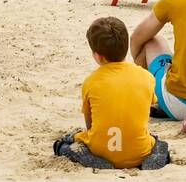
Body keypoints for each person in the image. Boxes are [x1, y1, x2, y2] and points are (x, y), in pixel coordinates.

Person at [53, 17, 165, 170]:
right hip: (138, 151)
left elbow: (90, 124)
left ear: (98, 56)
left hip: (101, 151)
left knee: (62, 145)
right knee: (158, 143)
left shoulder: (91, 81)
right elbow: (149, 107)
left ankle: (90, 159)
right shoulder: (146, 77)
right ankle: (151, 161)